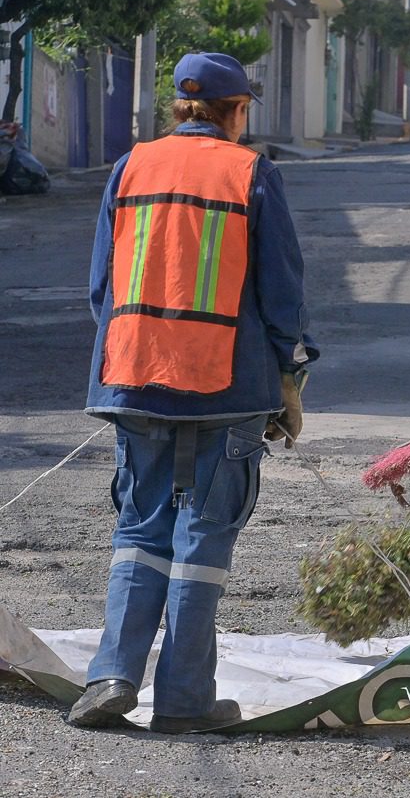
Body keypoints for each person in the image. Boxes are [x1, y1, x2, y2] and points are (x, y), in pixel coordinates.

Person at [68, 52, 319, 731]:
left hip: (132, 378)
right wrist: (289, 378)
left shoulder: (131, 166)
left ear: (180, 107)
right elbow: (281, 293)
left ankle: (111, 675)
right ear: (236, 110)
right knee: (202, 538)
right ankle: (182, 701)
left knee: (139, 529)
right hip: (225, 387)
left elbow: (102, 286)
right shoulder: (250, 171)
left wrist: (131, 350)